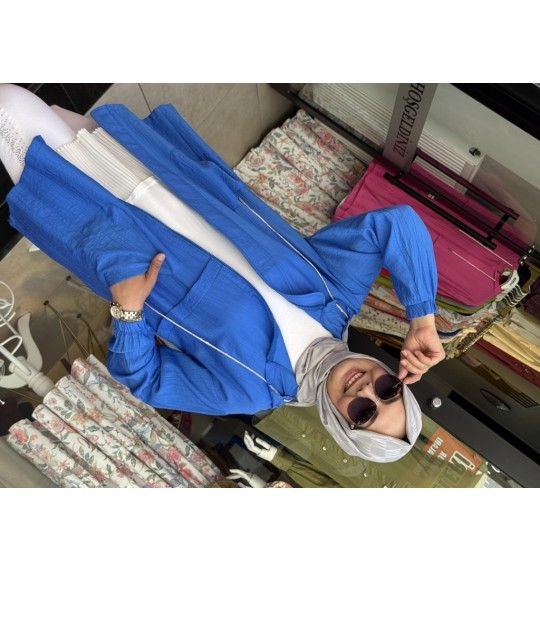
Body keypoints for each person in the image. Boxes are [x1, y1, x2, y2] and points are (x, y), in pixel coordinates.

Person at [1, 83, 445, 463]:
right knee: (44, 111)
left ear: (340, 425)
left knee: (11, 105)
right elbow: (397, 225)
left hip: (101, 224)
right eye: (388, 390)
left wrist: (130, 313)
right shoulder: (336, 296)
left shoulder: (249, 390)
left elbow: (147, 379)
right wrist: (422, 318)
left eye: (364, 414)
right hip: (154, 171)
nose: (367, 390)